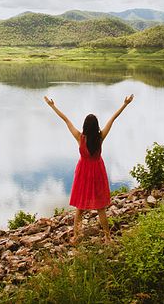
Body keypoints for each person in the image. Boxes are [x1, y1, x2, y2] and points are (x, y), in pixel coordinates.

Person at [44, 94, 134, 244]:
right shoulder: (100, 137)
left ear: (85, 126)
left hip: (83, 173)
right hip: (97, 172)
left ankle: (76, 236)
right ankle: (107, 237)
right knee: (100, 208)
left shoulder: (80, 137)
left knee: (80, 208)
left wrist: (52, 106)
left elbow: (66, 120)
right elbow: (112, 119)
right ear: (96, 126)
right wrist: (125, 104)